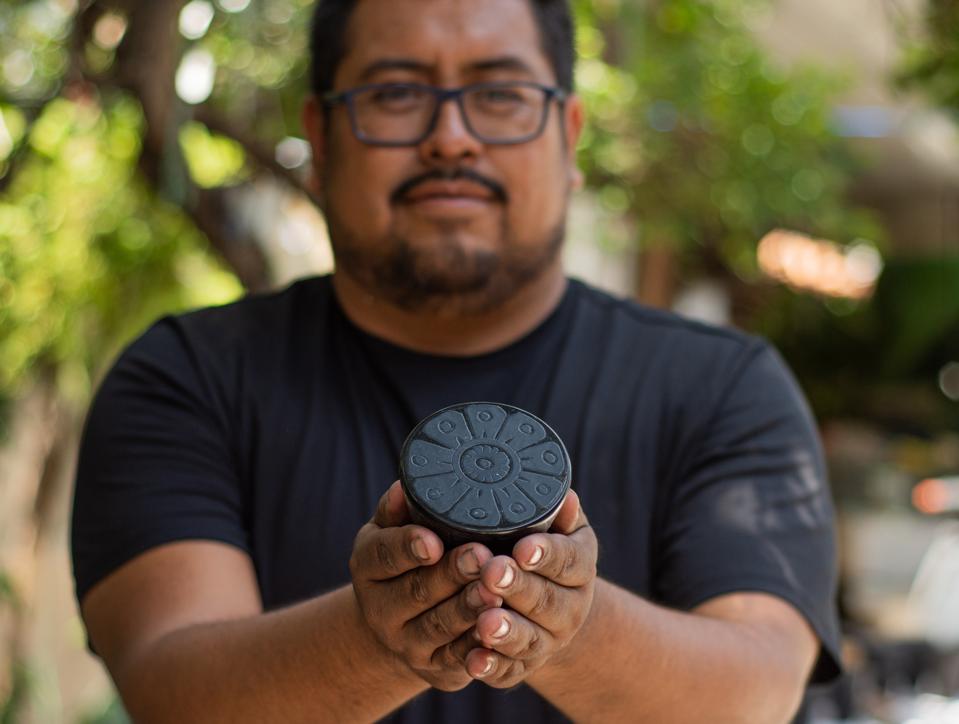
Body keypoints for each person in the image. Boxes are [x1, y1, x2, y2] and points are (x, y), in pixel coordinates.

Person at [71, 0, 842, 721]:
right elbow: (171, 689)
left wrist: (569, 622)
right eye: (396, 94)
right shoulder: (185, 380)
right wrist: (375, 638)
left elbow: (755, 689)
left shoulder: (722, 388)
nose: (450, 138)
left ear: (569, 137)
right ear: (320, 137)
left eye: (500, 95)